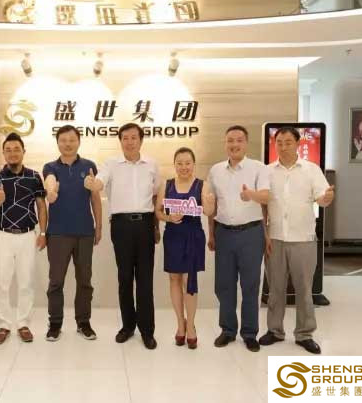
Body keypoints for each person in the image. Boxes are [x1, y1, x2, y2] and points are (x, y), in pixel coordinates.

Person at [259, 127, 334, 354]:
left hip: (304, 239)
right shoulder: (267, 171)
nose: (283, 147)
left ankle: (304, 334)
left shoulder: (311, 170)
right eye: (279, 142)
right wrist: (265, 234)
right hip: (275, 239)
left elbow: (322, 198)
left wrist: (327, 197)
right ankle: (275, 330)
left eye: (288, 142)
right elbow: (263, 205)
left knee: (304, 290)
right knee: (275, 289)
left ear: (297, 143)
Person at [89, 122, 161, 350]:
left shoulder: (152, 164)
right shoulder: (111, 164)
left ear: (141, 140)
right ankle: (128, 326)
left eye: (133, 137)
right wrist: (92, 184)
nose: (129, 142)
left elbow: (156, 195)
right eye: (125, 138)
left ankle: (147, 331)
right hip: (121, 226)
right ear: (120, 141)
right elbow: (99, 181)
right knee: (125, 278)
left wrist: (156, 226)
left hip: (146, 224)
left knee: (145, 279)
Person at [207, 125, 269, 352]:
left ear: (246, 143)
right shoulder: (215, 170)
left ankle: (250, 333)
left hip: (251, 233)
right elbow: (211, 204)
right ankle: (227, 330)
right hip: (223, 233)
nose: (234, 144)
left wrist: (250, 194)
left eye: (239, 140)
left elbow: (267, 197)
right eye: (230, 140)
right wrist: (211, 233)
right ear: (225, 144)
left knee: (250, 285)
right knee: (224, 285)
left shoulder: (259, 168)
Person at [42, 125, 102, 342]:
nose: (67, 144)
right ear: (58, 142)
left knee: (85, 280)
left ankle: (83, 323)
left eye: (72, 140)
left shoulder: (89, 166)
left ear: (79, 142)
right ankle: (55, 324)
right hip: (58, 234)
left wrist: (99, 226)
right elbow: (49, 181)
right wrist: (51, 192)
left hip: (85, 232)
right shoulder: (50, 167)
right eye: (63, 140)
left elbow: (95, 197)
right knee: (56, 281)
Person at [0, 132, 47, 344]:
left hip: (28, 235)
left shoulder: (34, 176)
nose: (12, 153)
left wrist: (43, 233)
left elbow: (41, 206)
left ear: (23, 152)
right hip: (3, 235)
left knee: (26, 282)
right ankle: (4, 325)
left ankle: (23, 323)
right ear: (3, 153)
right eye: (8, 150)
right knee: (1, 282)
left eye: (16, 149)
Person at [155, 147, 215, 349]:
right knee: (174, 278)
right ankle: (180, 324)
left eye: (187, 163)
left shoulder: (202, 185)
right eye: (179, 163)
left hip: (193, 236)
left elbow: (208, 211)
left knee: (190, 280)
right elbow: (158, 212)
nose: (184, 167)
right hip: (173, 235)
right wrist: (168, 217)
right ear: (174, 165)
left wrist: (209, 203)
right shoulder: (167, 185)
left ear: (193, 164)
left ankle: (191, 326)